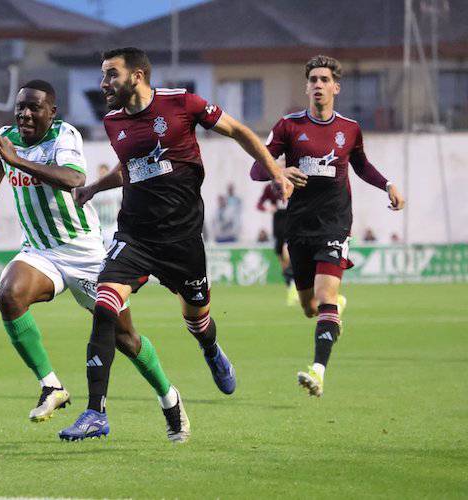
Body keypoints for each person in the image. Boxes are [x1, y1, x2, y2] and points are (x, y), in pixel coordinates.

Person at [61, 47, 292, 441]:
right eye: (102, 75)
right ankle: (95, 411)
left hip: (183, 240)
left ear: (137, 75)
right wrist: (94, 189)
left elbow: (238, 130)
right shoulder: (114, 122)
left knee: (198, 320)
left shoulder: (182, 103)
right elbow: (131, 167)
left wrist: (274, 172)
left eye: (110, 75)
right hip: (134, 236)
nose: (103, 84)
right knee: (105, 304)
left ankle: (210, 349)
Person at [0, 80, 188, 442]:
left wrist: (17, 160)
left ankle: (169, 398)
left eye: (34, 108)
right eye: (20, 107)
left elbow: (75, 178)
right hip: (41, 251)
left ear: (52, 112)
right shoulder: (7, 136)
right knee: (8, 295)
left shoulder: (64, 136)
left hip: (85, 254)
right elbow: (1, 158)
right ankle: (51, 386)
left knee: (127, 339)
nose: (25, 114)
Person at [250, 55, 405, 397]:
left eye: (324, 80)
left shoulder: (349, 129)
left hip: (335, 224)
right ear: (306, 87)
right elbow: (256, 170)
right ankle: (332, 312)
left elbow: (362, 166)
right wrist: (279, 171)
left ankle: (318, 371)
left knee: (325, 297)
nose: (318, 85)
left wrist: (389, 184)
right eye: (313, 80)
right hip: (299, 226)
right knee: (309, 308)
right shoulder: (288, 126)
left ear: (336, 87)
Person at [256, 182, 299, 305]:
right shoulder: (270, 188)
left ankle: (295, 286)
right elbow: (259, 204)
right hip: (277, 226)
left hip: (291, 223)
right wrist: (268, 208)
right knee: (283, 262)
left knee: (287, 253)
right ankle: (291, 289)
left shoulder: (292, 184)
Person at [91, 163, 121, 246]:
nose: (102, 175)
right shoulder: (93, 192)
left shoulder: (116, 190)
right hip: (100, 227)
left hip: (113, 227)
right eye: (101, 173)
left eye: (104, 173)